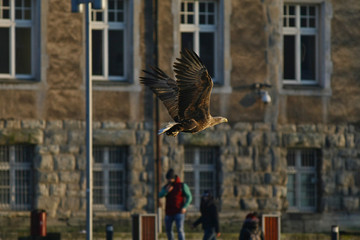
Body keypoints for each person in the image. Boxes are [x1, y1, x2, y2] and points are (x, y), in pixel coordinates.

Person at [159, 169, 192, 240]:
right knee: (168, 230)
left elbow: (189, 196)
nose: (168, 180)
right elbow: (160, 195)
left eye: (170, 179)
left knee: (180, 230)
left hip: (179, 211)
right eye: (168, 179)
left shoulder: (182, 186)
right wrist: (166, 191)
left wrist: (185, 207)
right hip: (169, 212)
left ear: (173, 178)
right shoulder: (166, 187)